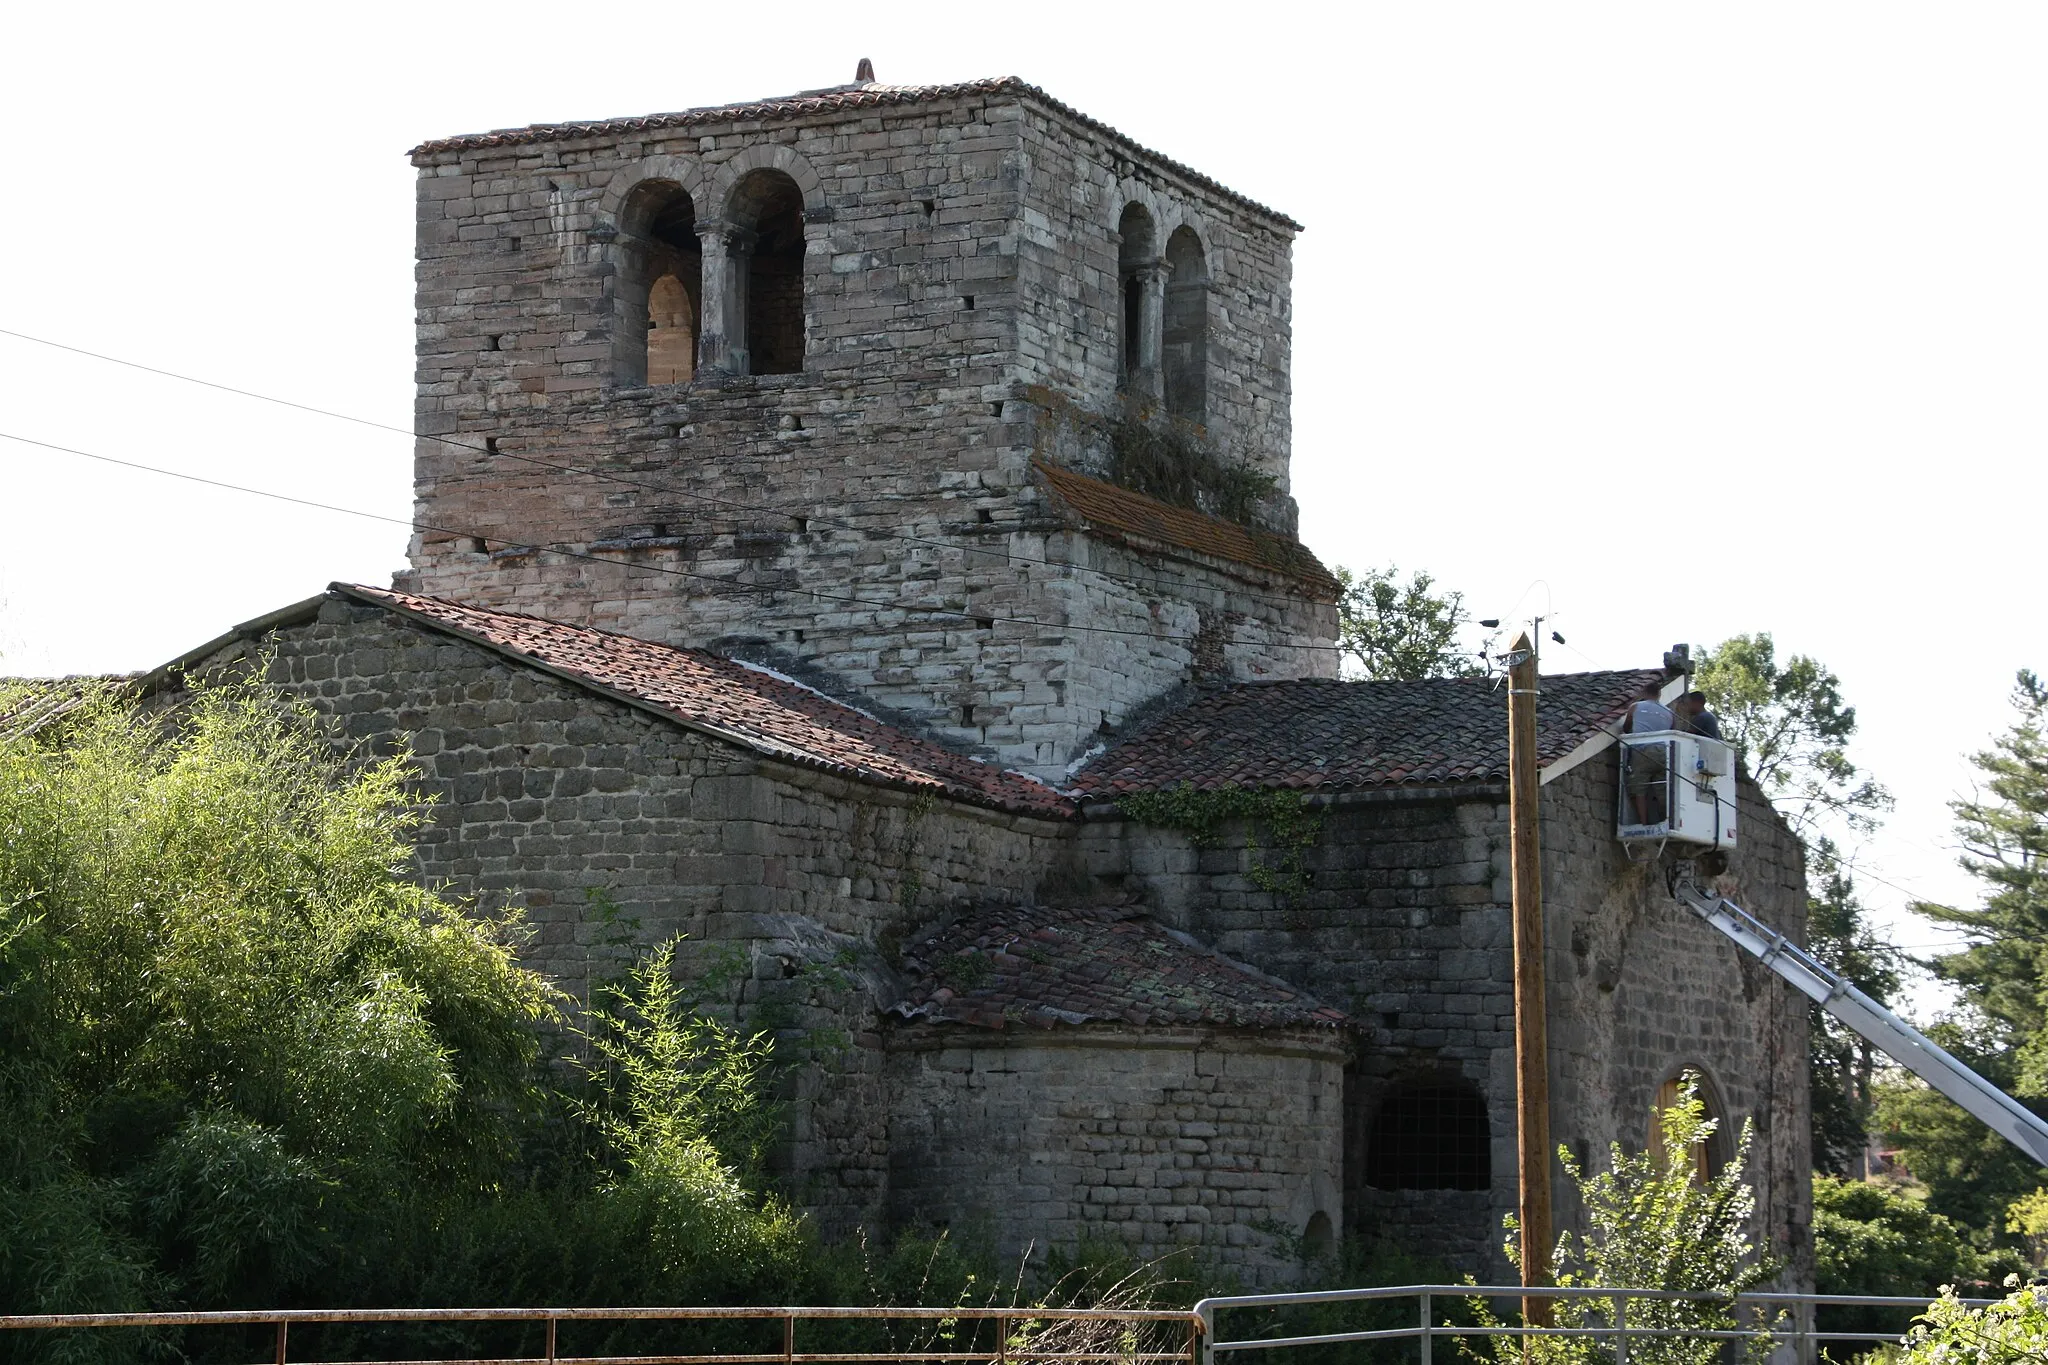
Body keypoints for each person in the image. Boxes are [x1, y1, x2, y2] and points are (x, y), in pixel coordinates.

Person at [1621, 681, 1673, 825]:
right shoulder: (1670, 713)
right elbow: (1673, 731)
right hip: (1664, 753)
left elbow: (1626, 728)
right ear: (1659, 694)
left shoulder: (1635, 707)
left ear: (1644, 693)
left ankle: (1643, 823)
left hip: (1642, 751)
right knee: (1663, 788)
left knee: (1638, 788)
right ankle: (1667, 821)